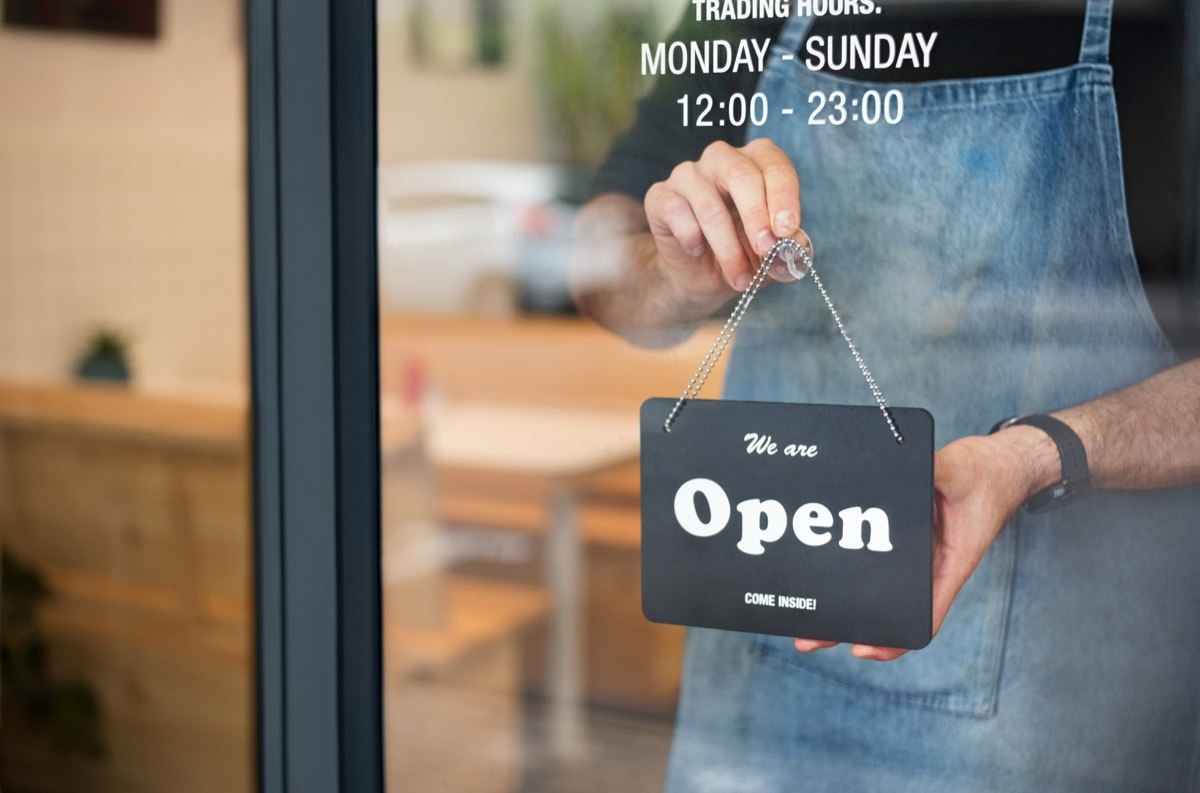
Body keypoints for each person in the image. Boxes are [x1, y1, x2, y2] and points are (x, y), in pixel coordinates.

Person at [570, 1, 1200, 790]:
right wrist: (673, 272)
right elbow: (595, 258)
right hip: (758, 713)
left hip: (1043, 731)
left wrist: (1040, 454)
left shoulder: (1161, 22)